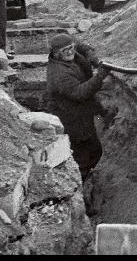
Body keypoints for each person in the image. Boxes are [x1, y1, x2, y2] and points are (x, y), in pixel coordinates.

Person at [45, 33, 116, 181]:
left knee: (96, 151)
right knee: (82, 157)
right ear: (56, 54)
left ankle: (89, 179)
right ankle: (80, 184)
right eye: (66, 50)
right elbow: (80, 93)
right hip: (71, 121)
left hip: (83, 113)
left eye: (71, 48)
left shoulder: (68, 55)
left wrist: (91, 55)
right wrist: (100, 76)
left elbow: (80, 46)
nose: (71, 52)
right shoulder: (59, 74)